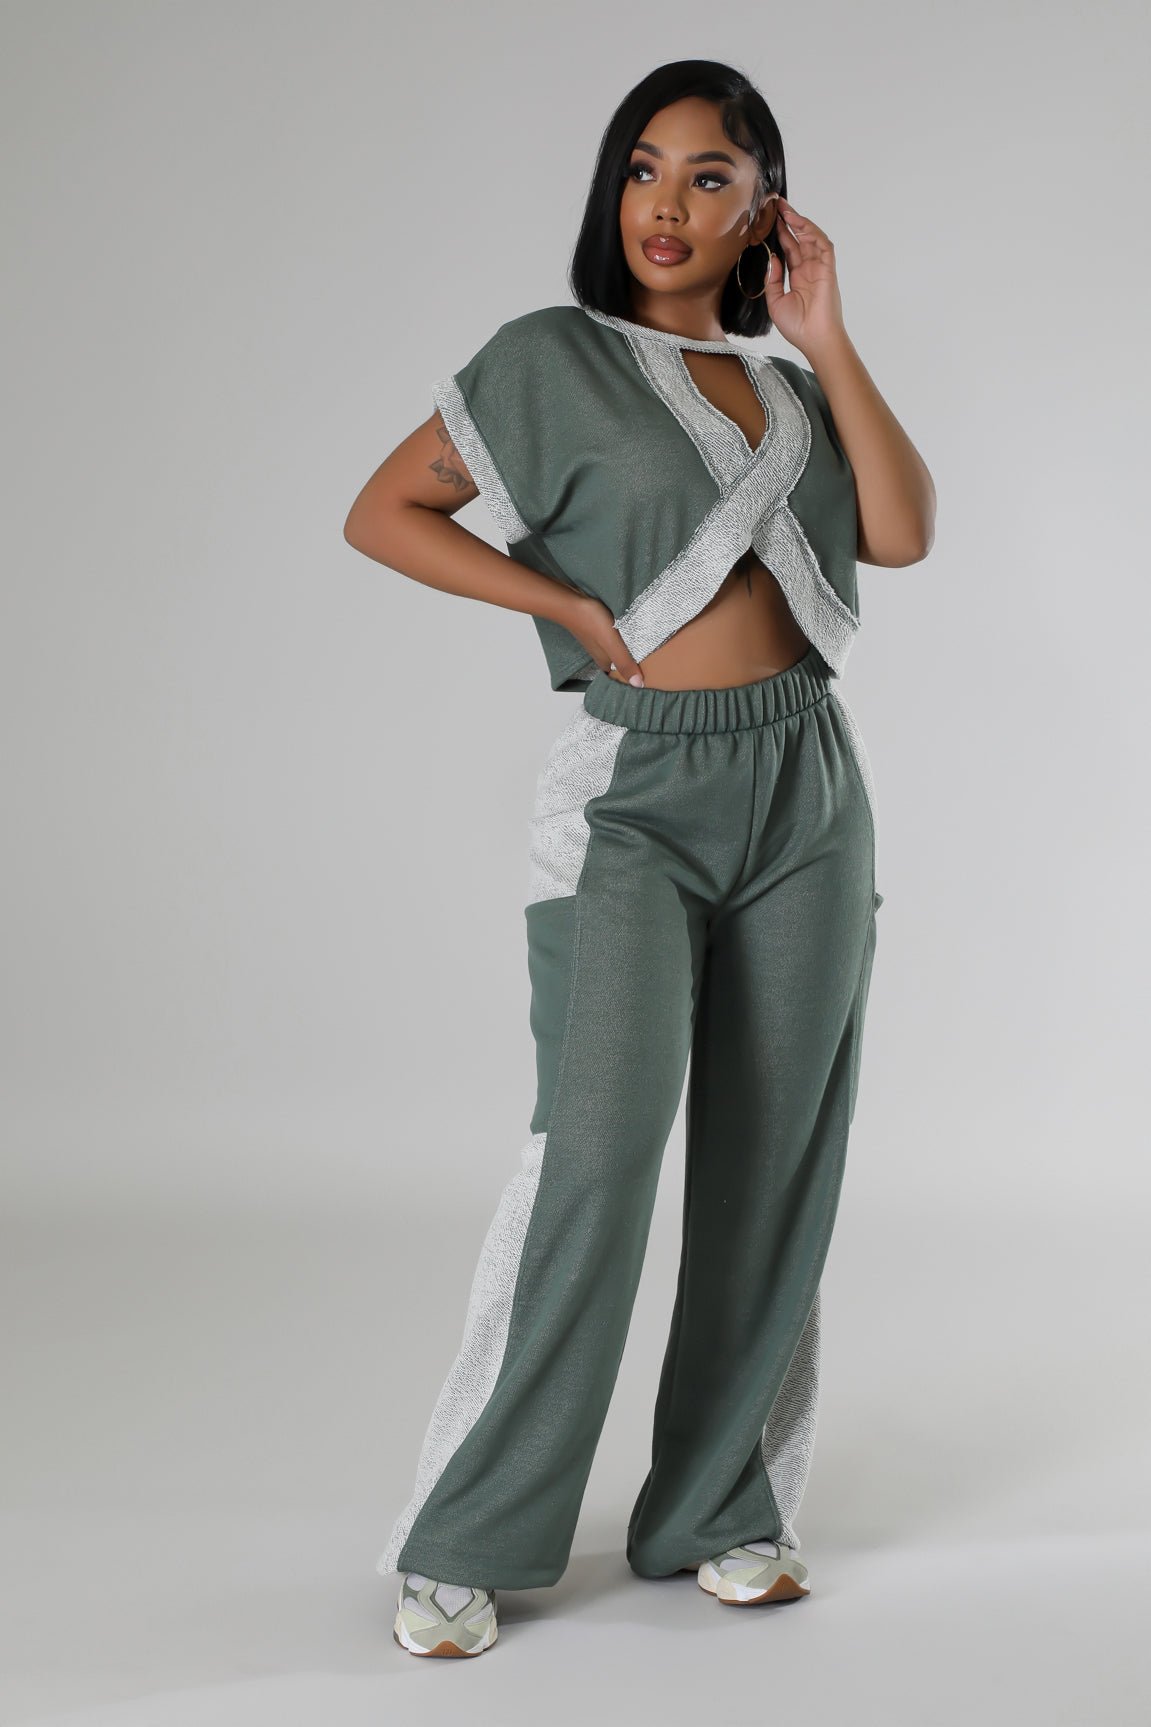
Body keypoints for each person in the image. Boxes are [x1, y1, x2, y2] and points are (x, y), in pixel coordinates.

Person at [343, 58, 935, 1659]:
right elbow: (387, 511)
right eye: (644, 170)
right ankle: (470, 1531)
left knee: (776, 1162)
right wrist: (562, 605)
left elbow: (900, 530)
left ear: (765, 211)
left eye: (710, 177)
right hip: (634, 794)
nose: (667, 206)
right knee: (593, 1157)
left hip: (808, 786)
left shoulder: (794, 387)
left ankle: (719, 1508)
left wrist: (828, 335)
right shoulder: (549, 357)